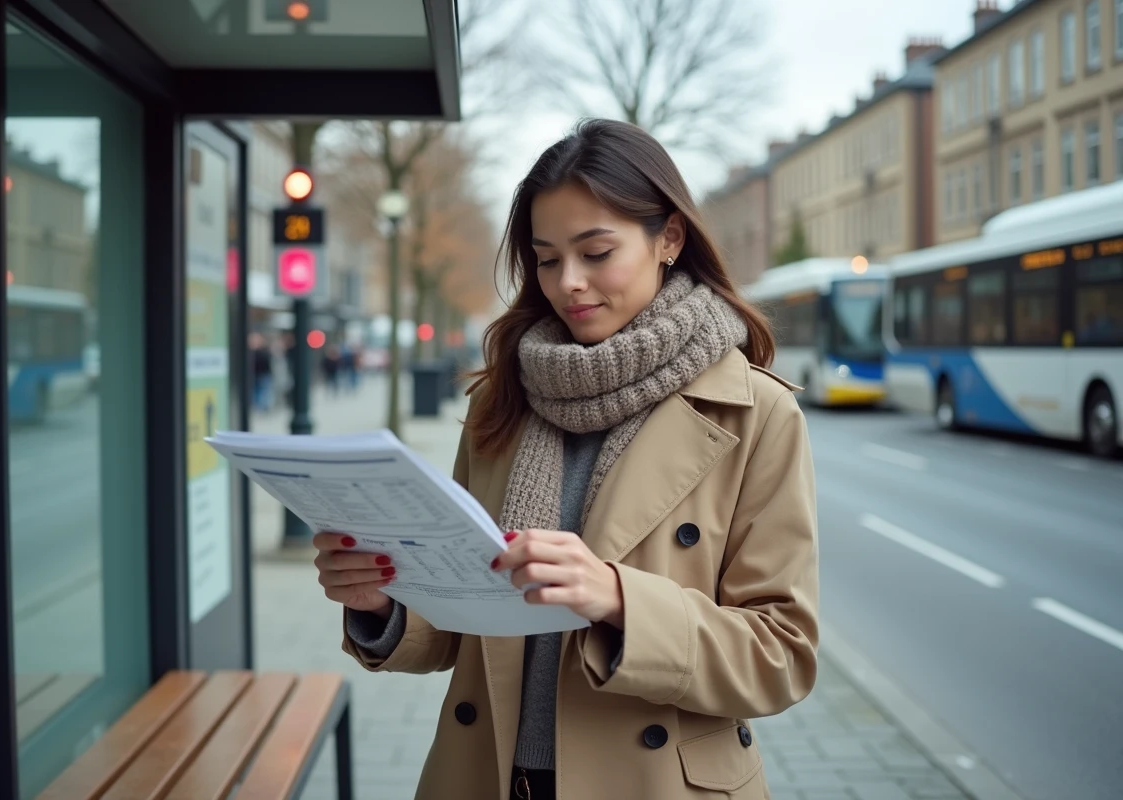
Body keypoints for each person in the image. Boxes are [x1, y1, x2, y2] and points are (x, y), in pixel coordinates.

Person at [313, 119, 819, 800]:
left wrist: (619, 601)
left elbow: (780, 656)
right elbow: (468, 618)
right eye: (547, 259)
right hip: (488, 778)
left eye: (596, 251)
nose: (568, 283)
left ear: (669, 238)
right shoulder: (502, 398)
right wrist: (386, 604)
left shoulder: (756, 414)